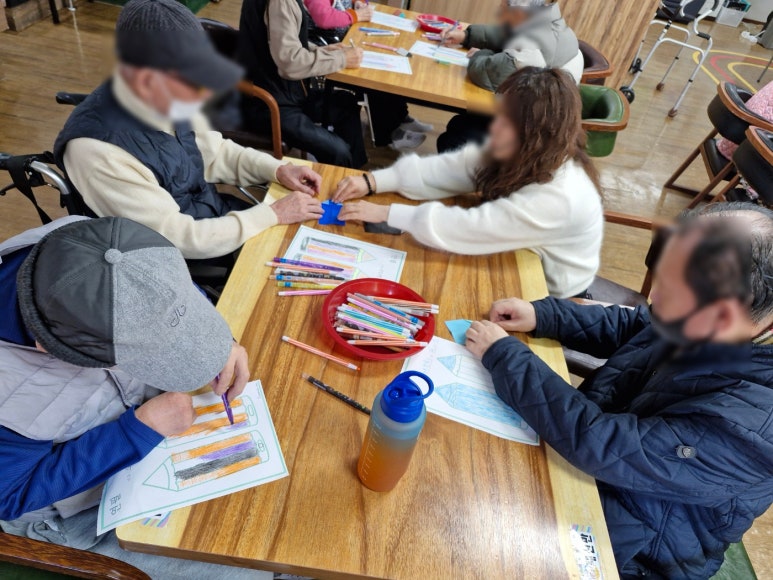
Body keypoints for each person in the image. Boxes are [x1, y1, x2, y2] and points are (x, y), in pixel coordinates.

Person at [465, 202, 773, 579]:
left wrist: (505, 357)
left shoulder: (753, 427)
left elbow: (604, 444)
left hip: (633, 550)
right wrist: (545, 316)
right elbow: (639, 326)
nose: (655, 296)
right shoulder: (707, 315)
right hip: (588, 466)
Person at [0, 216, 267, 580]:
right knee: (244, 565)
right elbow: (11, 495)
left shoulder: (96, 243)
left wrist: (218, 343)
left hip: (153, 427)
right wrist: (139, 429)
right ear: (48, 348)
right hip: (71, 505)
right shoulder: (10, 397)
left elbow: (165, 289)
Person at [54, 0, 324, 263]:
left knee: (309, 236)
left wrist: (276, 169)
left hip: (213, 220)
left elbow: (214, 153)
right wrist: (271, 215)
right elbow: (178, 237)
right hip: (175, 260)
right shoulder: (98, 152)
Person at [334, 67, 603, 299]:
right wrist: (373, 181)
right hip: (519, 261)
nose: (495, 127)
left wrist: (386, 213)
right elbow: (452, 167)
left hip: (555, 297)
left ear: (536, 134)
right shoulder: (537, 152)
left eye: (507, 122)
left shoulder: (560, 196)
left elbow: (470, 228)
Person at [437, 0, 583, 152]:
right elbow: (505, 34)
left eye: (506, 6)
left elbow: (484, 72)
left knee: (455, 139)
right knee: (461, 123)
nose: (501, 10)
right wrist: (466, 36)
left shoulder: (534, 46)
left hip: (532, 135)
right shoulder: (547, 22)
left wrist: (482, 52)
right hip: (535, 117)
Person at [302, 0, 435, 149]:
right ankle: (389, 135)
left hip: (347, 37)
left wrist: (358, 3)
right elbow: (324, 18)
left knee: (390, 64)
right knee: (374, 75)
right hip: (326, 53)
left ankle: (401, 117)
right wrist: (355, 15)